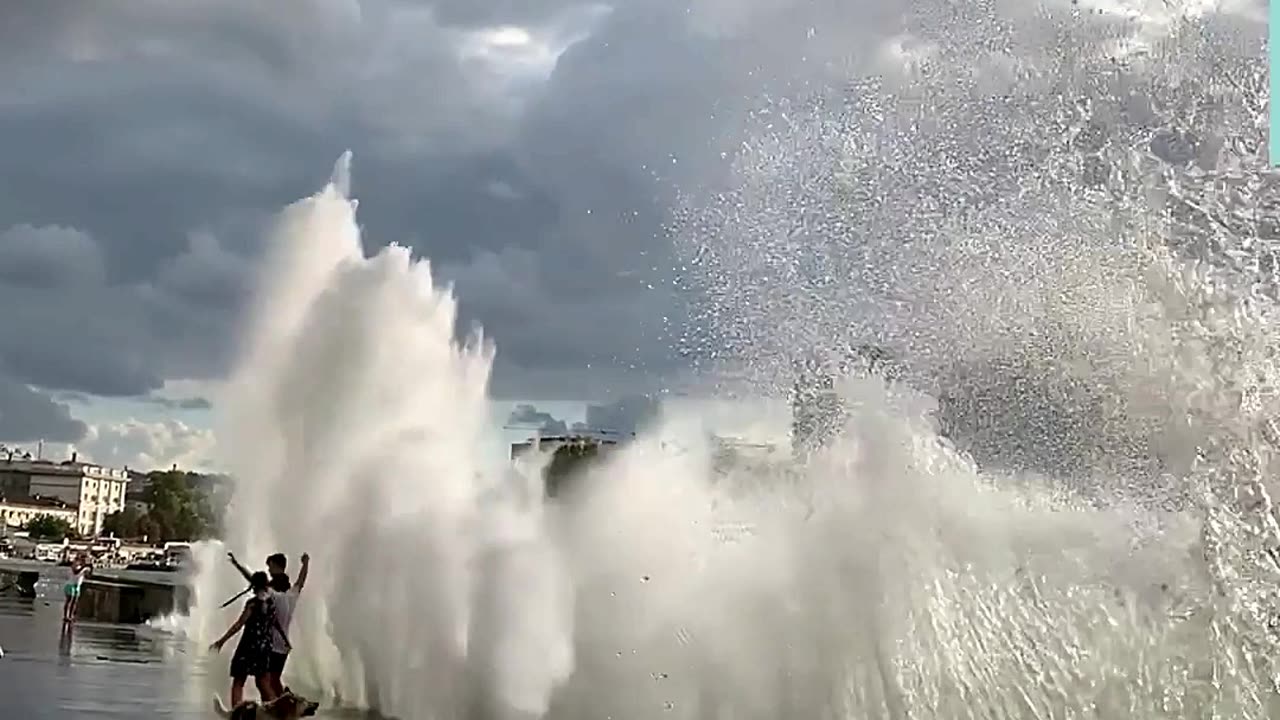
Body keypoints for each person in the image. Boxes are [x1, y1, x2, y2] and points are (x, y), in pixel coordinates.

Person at [209, 571, 277, 708]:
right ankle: (274, 711)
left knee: (239, 681)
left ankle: (237, 712)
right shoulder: (271, 602)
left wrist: (221, 641)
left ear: (253, 585)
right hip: (265, 646)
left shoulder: (252, 604)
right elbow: (275, 624)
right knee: (263, 681)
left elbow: (239, 624)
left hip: (249, 646)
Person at [266, 552, 309, 697]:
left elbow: (257, 583)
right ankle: (283, 702)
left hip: (272, 644)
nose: (269, 571)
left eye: (270, 567)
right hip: (284, 646)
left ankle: (281, 704)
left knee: (269, 680)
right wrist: (305, 564)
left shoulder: (274, 596)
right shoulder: (291, 596)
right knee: (274, 679)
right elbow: (300, 583)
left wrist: (238, 566)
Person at [62, 555, 91, 623]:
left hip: (77, 585)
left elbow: (87, 576)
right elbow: (75, 572)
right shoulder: (74, 565)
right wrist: (84, 568)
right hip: (70, 584)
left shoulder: (83, 568)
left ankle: (71, 615)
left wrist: (88, 571)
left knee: (74, 602)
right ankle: (66, 616)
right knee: (69, 600)